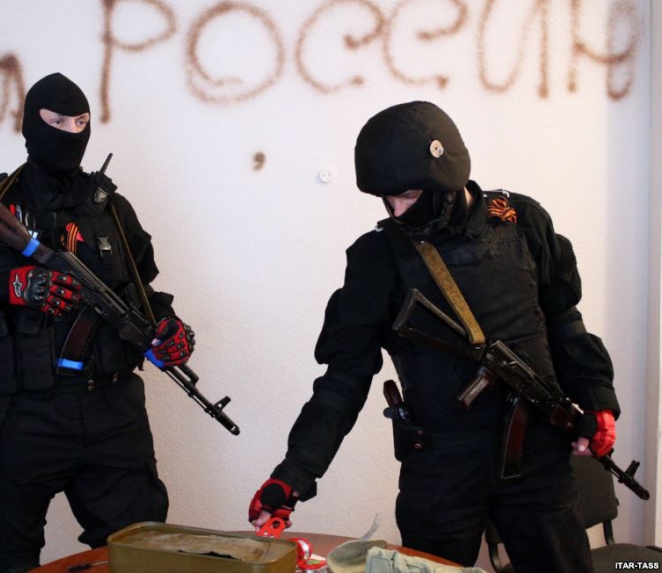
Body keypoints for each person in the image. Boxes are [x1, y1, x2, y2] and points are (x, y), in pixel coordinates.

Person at [247, 101, 619, 572]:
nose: (398, 210)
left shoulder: (521, 221)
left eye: (408, 194)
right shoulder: (377, 259)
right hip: (442, 468)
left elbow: (564, 321)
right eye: (387, 199)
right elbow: (344, 380)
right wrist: (293, 475)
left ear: (447, 177)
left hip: (539, 458)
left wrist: (598, 400)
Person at [0, 72, 194, 573]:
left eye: (81, 122)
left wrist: (169, 329)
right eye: (57, 122)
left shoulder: (112, 210)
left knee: (142, 558)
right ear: (30, 125)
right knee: (8, 558)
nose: (71, 133)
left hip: (114, 416)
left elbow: (143, 295)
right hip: (24, 417)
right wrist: (2, 288)